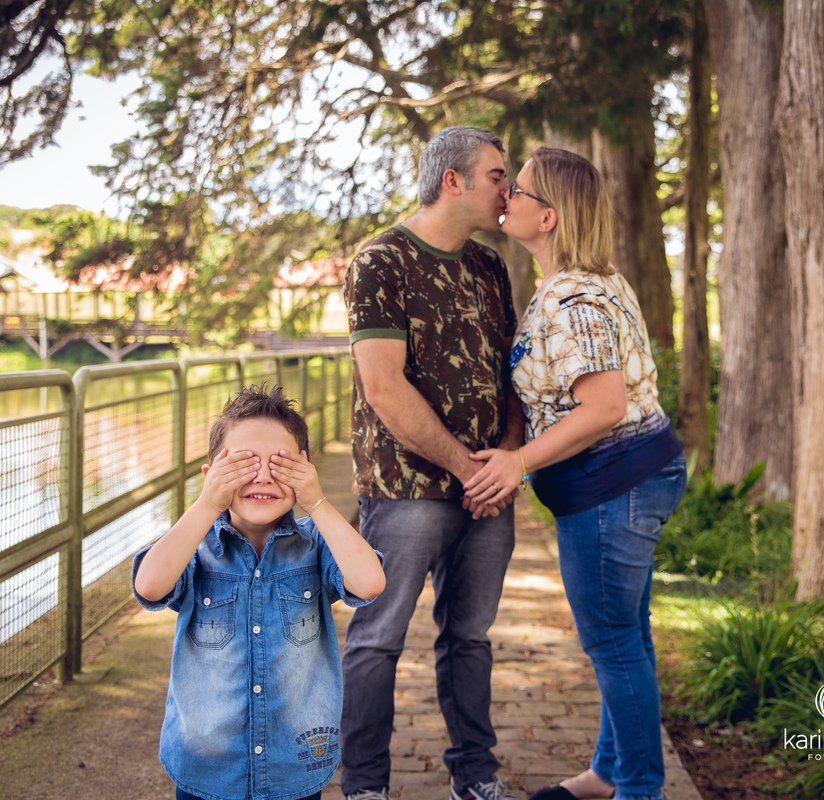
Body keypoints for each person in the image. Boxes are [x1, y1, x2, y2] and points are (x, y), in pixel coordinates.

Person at [464, 147, 687, 800]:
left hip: (613, 486)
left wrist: (516, 462)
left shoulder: (574, 301)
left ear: (550, 217)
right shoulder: (584, 280)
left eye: (521, 191)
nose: (507, 197)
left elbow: (606, 405)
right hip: (628, 477)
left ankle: (640, 789)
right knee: (627, 635)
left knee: (613, 642)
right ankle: (609, 771)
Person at [341, 126, 524, 800]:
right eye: (499, 175)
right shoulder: (380, 262)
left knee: (470, 637)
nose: (510, 189)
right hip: (406, 489)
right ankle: (364, 785)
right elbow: (385, 389)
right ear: (456, 180)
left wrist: (505, 458)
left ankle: (474, 773)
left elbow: (512, 374)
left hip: (488, 493)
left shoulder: (488, 266)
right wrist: (468, 468)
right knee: (377, 638)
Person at [132, 384, 386, 800]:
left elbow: (370, 582)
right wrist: (206, 505)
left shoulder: (315, 545)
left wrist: (317, 501)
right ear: (211, 474)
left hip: (294, 766)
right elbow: (150, 585)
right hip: (207, 767)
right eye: (244, 464)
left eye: (281, 464)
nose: (263, 476)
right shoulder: (192, 549)